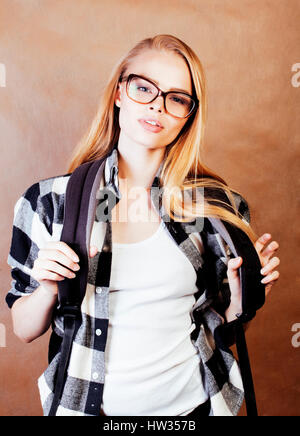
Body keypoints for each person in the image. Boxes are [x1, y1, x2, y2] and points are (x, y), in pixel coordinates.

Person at [6, 34, 280, 417]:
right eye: (143, 88)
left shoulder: (216, 208)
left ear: (188, 115)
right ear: (119, 92)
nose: (157, 106)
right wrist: (49, 287)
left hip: (198, 406)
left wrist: (242, 297)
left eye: (177, 98)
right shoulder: (52, 203)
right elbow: (23, 328)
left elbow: (227, 330)